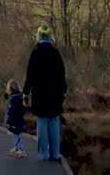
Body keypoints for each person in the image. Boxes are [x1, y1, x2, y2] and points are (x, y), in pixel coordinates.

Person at [22, 24, 66, 163]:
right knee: (54, 124)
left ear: (39, 36)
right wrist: (63, 91)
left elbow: (30, 75)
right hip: (55, 95)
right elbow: (62, 73)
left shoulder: (35, 52)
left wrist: (25, 93)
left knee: (42, 124)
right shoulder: (56, 52)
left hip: (40, 95)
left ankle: (43, 154)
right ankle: (55, 154)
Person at [4, 79, 27, 158]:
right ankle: (16, 147)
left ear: (10, 88)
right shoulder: (20, 96)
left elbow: (11, 111)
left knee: (16, 135)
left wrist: (9, 122)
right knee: (15, 134)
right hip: (19, 120)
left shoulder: (14, 99)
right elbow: (25, 108)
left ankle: (21, 149)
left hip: (14, 121)